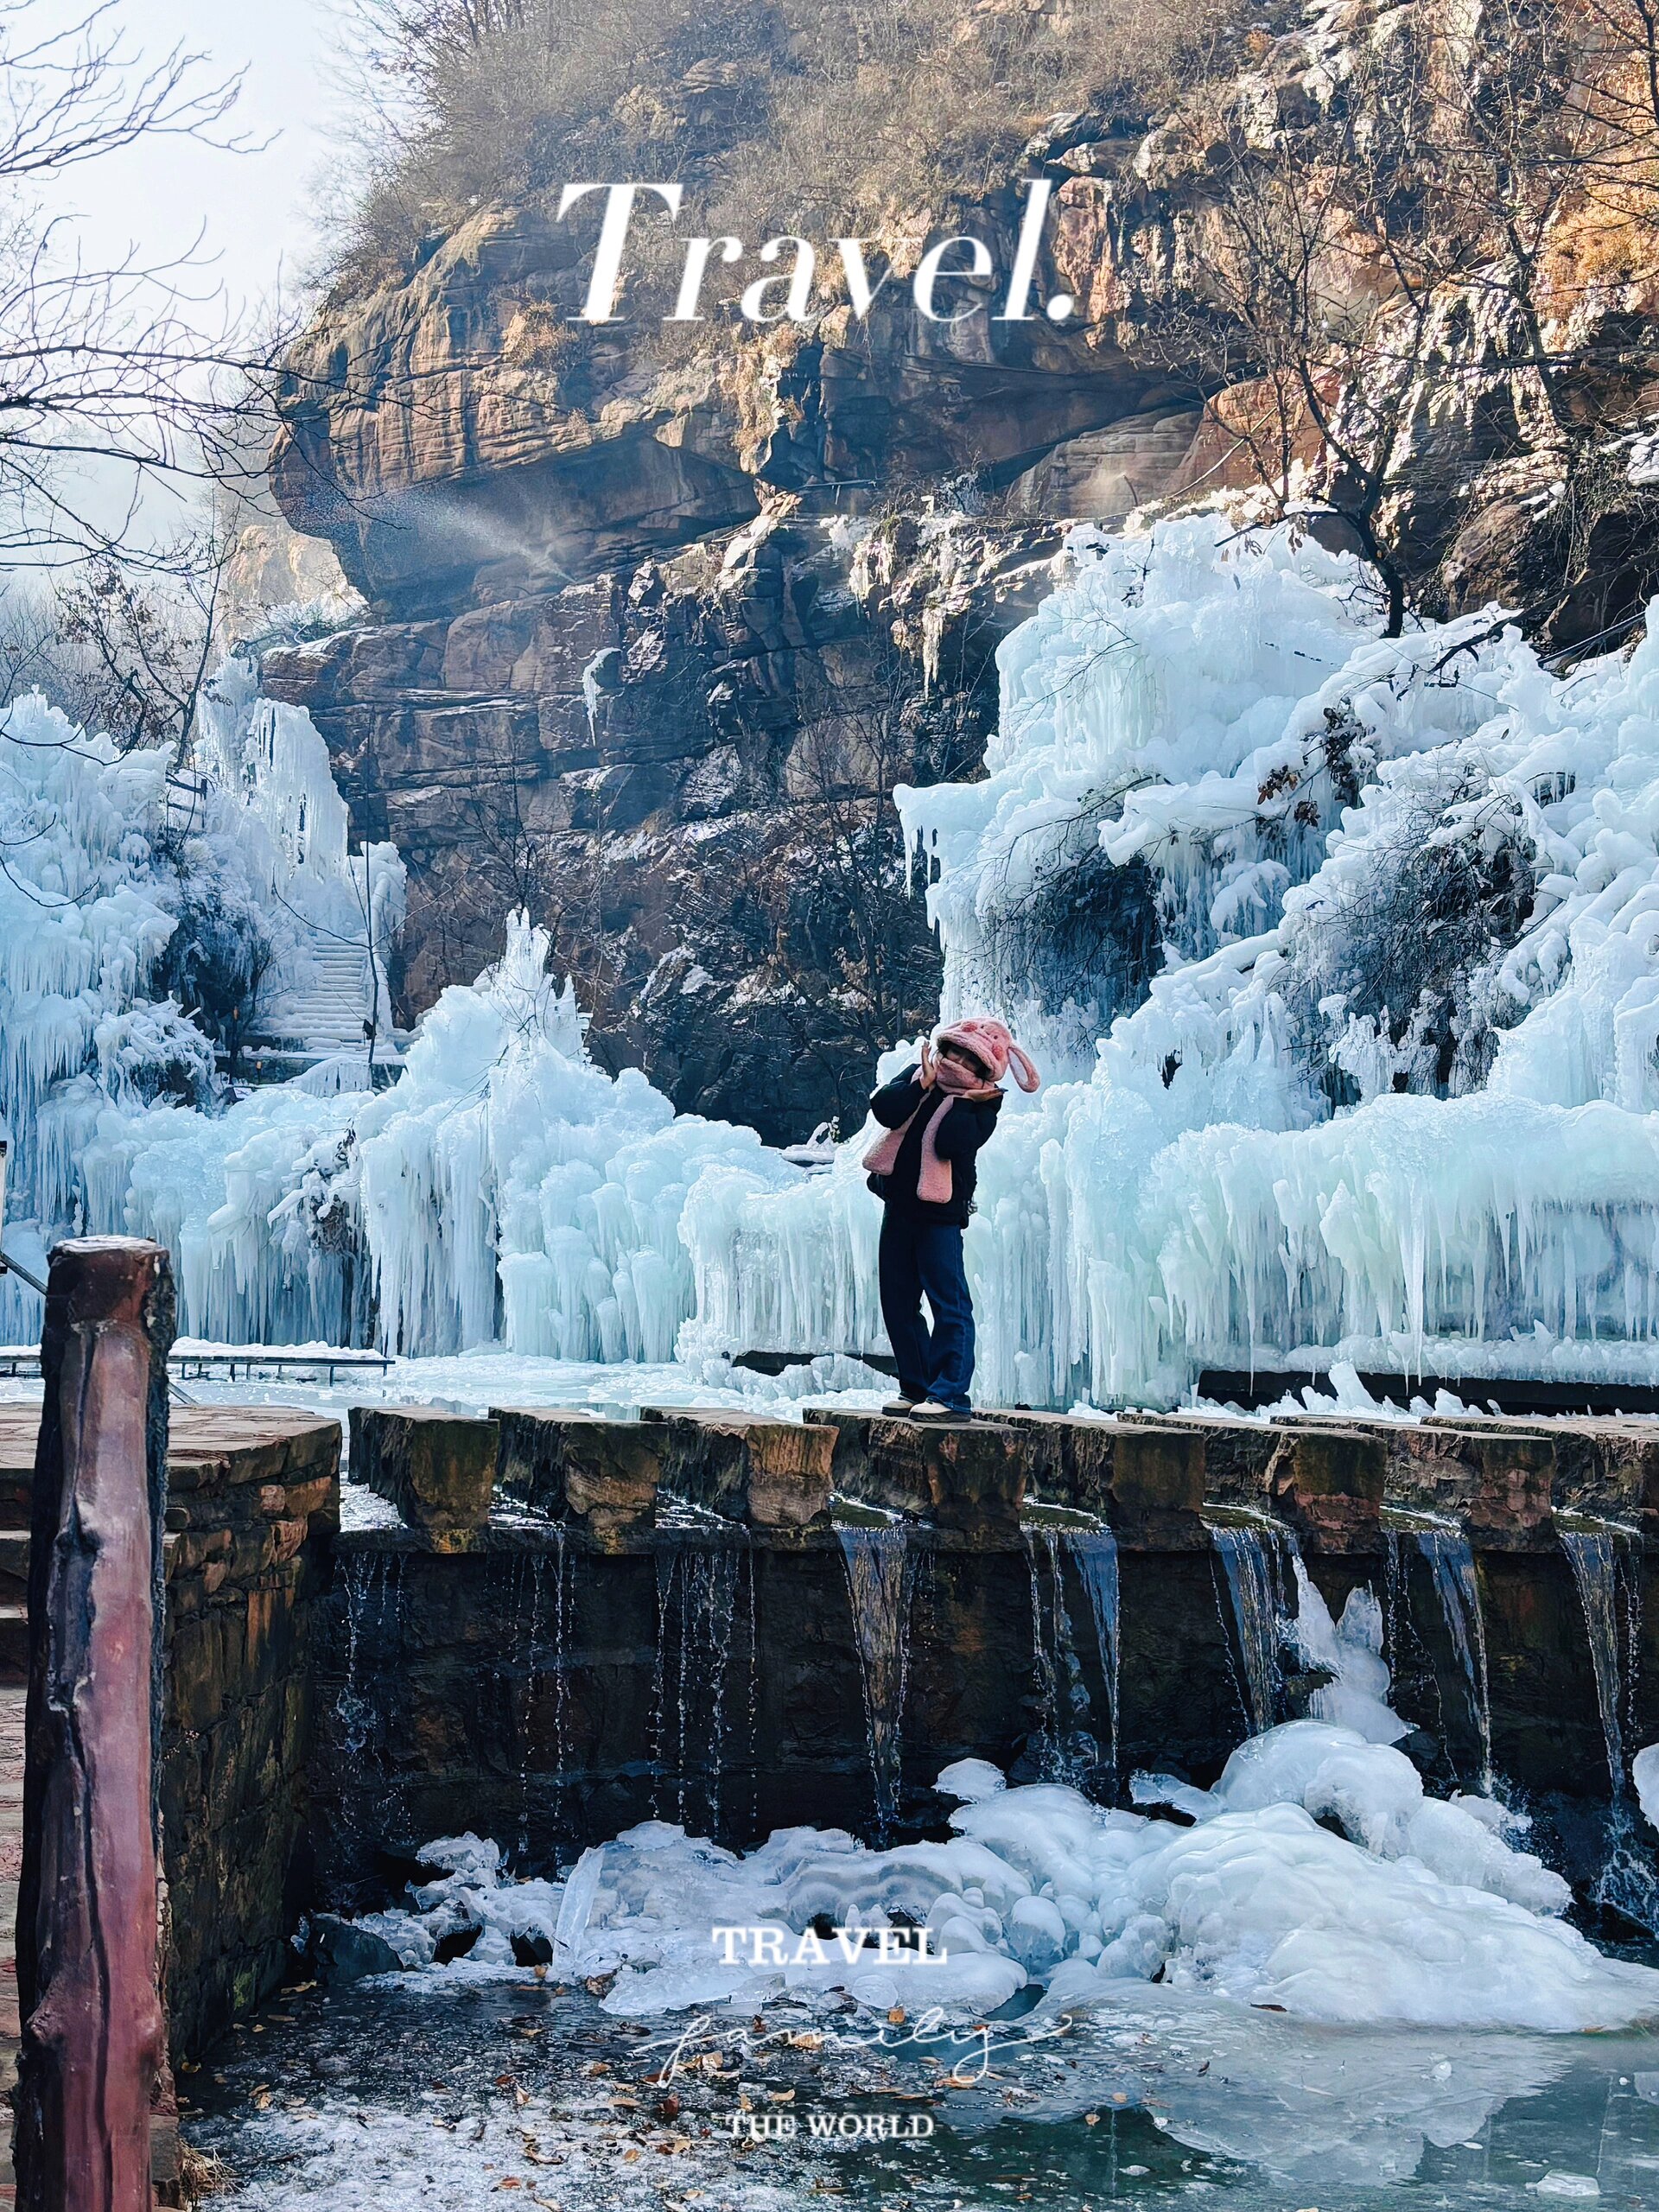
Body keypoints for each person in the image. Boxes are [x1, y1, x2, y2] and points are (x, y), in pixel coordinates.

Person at [861, 1017, 1040, 1419]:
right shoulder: (918, 1076)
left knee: (949, 1302)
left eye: (966, 1057)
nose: (954, 1060)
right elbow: (884, 1110)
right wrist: (920, 1085)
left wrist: (964, 1098)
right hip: (899, 1207)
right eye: (952, 1050)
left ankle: (951, 1394)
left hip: (940, 1216)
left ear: (982, 1069)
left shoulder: (984, 1103)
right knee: (898, 1300)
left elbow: (950, 1142)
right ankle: (916, 1386)